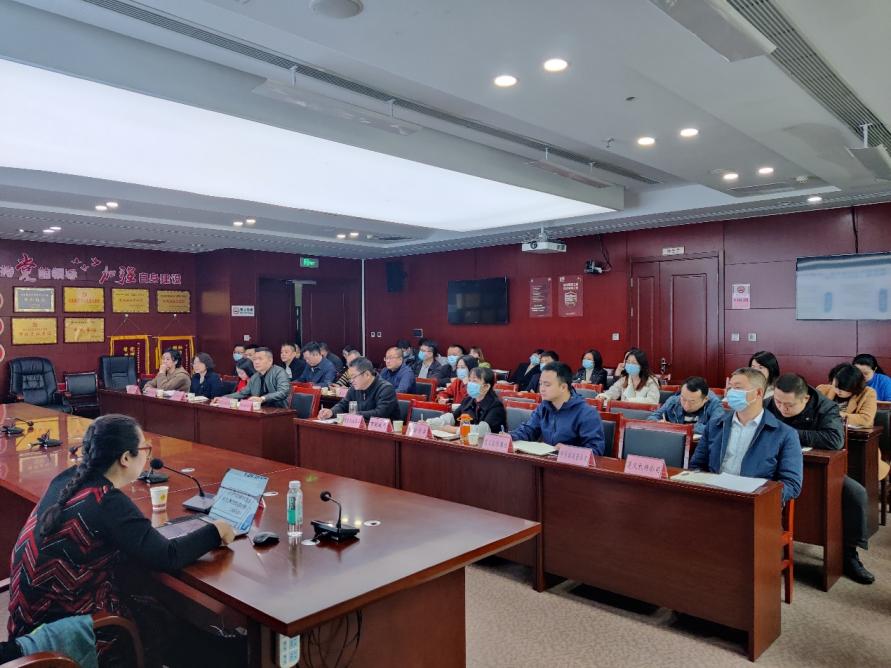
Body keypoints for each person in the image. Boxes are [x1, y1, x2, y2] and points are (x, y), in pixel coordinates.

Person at [7, 414, 234, 654]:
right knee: (163, 623)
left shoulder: (67, 480)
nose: (148, 456)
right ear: (126, 458)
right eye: (145, 449)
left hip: (28, 630)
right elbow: (168, 556)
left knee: (149, 598)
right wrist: (215, 530)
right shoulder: (106, 500)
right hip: (66, 636)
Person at [767, 373, 874, 584]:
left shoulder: (825, 406)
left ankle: (849, 554)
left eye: (789, 405)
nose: (782, 408)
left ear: (805, 398)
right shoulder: (770, 403)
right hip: (775, 467)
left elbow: (834, 440)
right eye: (778, 402)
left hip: (820, 469)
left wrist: (789, 434)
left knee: (855, 494)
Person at [689, 367, 802, 504]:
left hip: (754, 503)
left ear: (758, 393)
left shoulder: (785, 434)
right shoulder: (715, 425)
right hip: (714, 498)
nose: (731, 393)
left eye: (737, 388)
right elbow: (696, 466)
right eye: (730, 387)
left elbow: (791, 484)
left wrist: (759, 496)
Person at [510, 362, 605, 454]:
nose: (541, 389)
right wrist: (510, 437)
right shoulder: (543, 407)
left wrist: (568, 450)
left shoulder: (587, 413)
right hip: (548, 460)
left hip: (570, 463)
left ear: (563, 387)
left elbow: (596, 450)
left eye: (547, 385)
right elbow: (529, 430)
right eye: (540, 384)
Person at [318, 357, 400, 421]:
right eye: (350, 378)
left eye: (354, 377)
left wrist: (355, 415)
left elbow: (380, 413)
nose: (351, 381)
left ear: (367, 374)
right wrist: (331, 412)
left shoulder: (386, 389)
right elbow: (343, 405)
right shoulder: (354, 388)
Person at [437, 367, 507, 434]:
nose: (470, 384)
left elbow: (482, 430)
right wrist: (434, 423)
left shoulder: (496, 406)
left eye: (474, 381)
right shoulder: (468, 400)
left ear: (486, 386)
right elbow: (452, 417)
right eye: (470, 380)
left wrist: (453, 429)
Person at [647, 376, 723, 435]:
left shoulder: (715, 405)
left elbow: (717, 429)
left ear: (705, 399)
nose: (686, 406)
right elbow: (651, 419)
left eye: (692, 401)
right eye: (683, 399)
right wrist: (659, 423)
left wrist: (680, 427)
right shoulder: (673, 401)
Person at [220, 347, 291, 408]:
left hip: (279, 411)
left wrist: (263, 398)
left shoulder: (279, 372)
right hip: (259, 411)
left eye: (260, 359)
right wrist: (223, 398)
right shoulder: (255, 377)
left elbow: (283, 392)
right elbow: (242, 393)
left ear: (270, 360)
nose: (256, 362)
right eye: (254, 359)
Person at [817, 364, 877, 428]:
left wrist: (836, 414)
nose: (838, 391)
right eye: (836, 386)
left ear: (855, 387)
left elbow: (866, 419)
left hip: (851, 432)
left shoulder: (868, 393)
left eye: (844, 389)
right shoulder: (822, 390)